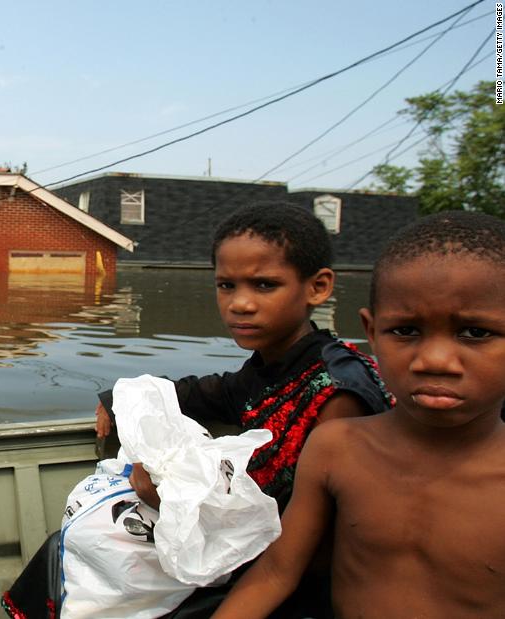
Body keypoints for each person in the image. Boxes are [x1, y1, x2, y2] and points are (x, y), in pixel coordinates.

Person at [80, 204, 393, 619]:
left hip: (309, 588)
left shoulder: (337, 395)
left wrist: (176, 502)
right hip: (255, 558)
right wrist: (117, 398)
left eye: (264, 285)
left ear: (317, 287)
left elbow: (320, 543)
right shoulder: (271, 365)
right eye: (227, 285)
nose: (240, 304)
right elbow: (207, 392)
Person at [213, 210, 505, 618]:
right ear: (371, 332)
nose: (434, 360)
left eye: (475, 333)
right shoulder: (337, 447)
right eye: (405, 331)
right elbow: (277, 573)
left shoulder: (338, 392)